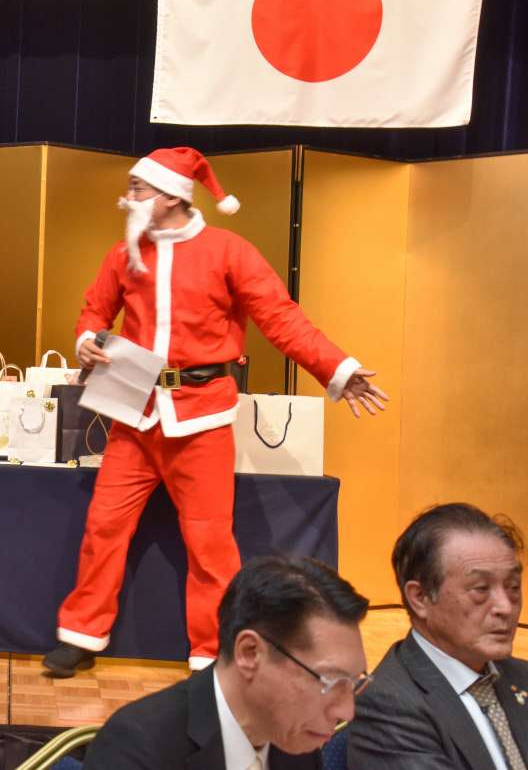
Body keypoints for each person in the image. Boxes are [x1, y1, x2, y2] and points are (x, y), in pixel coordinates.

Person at [46, 147, 389, 677]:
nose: (128, 197)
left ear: (170, 196)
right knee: (103, 526)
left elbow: (281, 319)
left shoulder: (229, 251)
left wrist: (337, 370)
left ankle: (212, 651)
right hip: (134, 414)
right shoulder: (124, 254)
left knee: (209, 542)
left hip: (201, 418)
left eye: (138, 188)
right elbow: (95, 308)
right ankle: (82, 634)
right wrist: (88, 338)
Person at [85, 556, 371, 770]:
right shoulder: (138, 749)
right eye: (331, 682)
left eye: (354, 683)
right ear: (250, 653)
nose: (346, 711)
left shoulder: (297, 746)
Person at [348, 503, 528, 769]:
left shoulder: (520, 675)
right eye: (481, 589)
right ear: (420, 597)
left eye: (513, 586)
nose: (505, 607)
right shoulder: (387, 706)